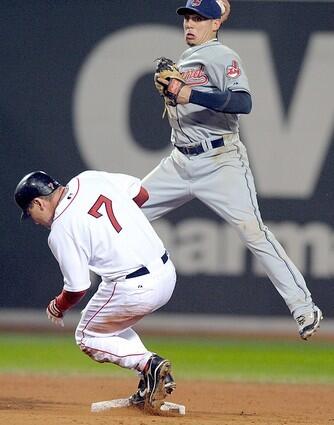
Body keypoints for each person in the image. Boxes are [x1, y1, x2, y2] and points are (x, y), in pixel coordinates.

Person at [141, 0, 323, 340]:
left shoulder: (223, 56)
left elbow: (243, 102)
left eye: (199, 18)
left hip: (220, 163)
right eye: (187, 18)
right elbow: (183, 98)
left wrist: (188, 92)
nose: (190, 24)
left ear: (215, 24)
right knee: (126, 212)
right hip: (179, 163)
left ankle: (303, 307)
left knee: (254, 232)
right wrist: (174, 90)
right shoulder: (186, 60)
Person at [14, 170, 177, 409]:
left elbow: (77, 287)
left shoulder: (61, 229)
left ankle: (150, 365)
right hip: (166, 273)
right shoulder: (88, 178)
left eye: (30, 213)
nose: (35, 221)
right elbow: (141, 193)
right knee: (110, 326)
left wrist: (57, 307)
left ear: (38, 202)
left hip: (133, 288)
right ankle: (150, 380)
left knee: (87, 336)